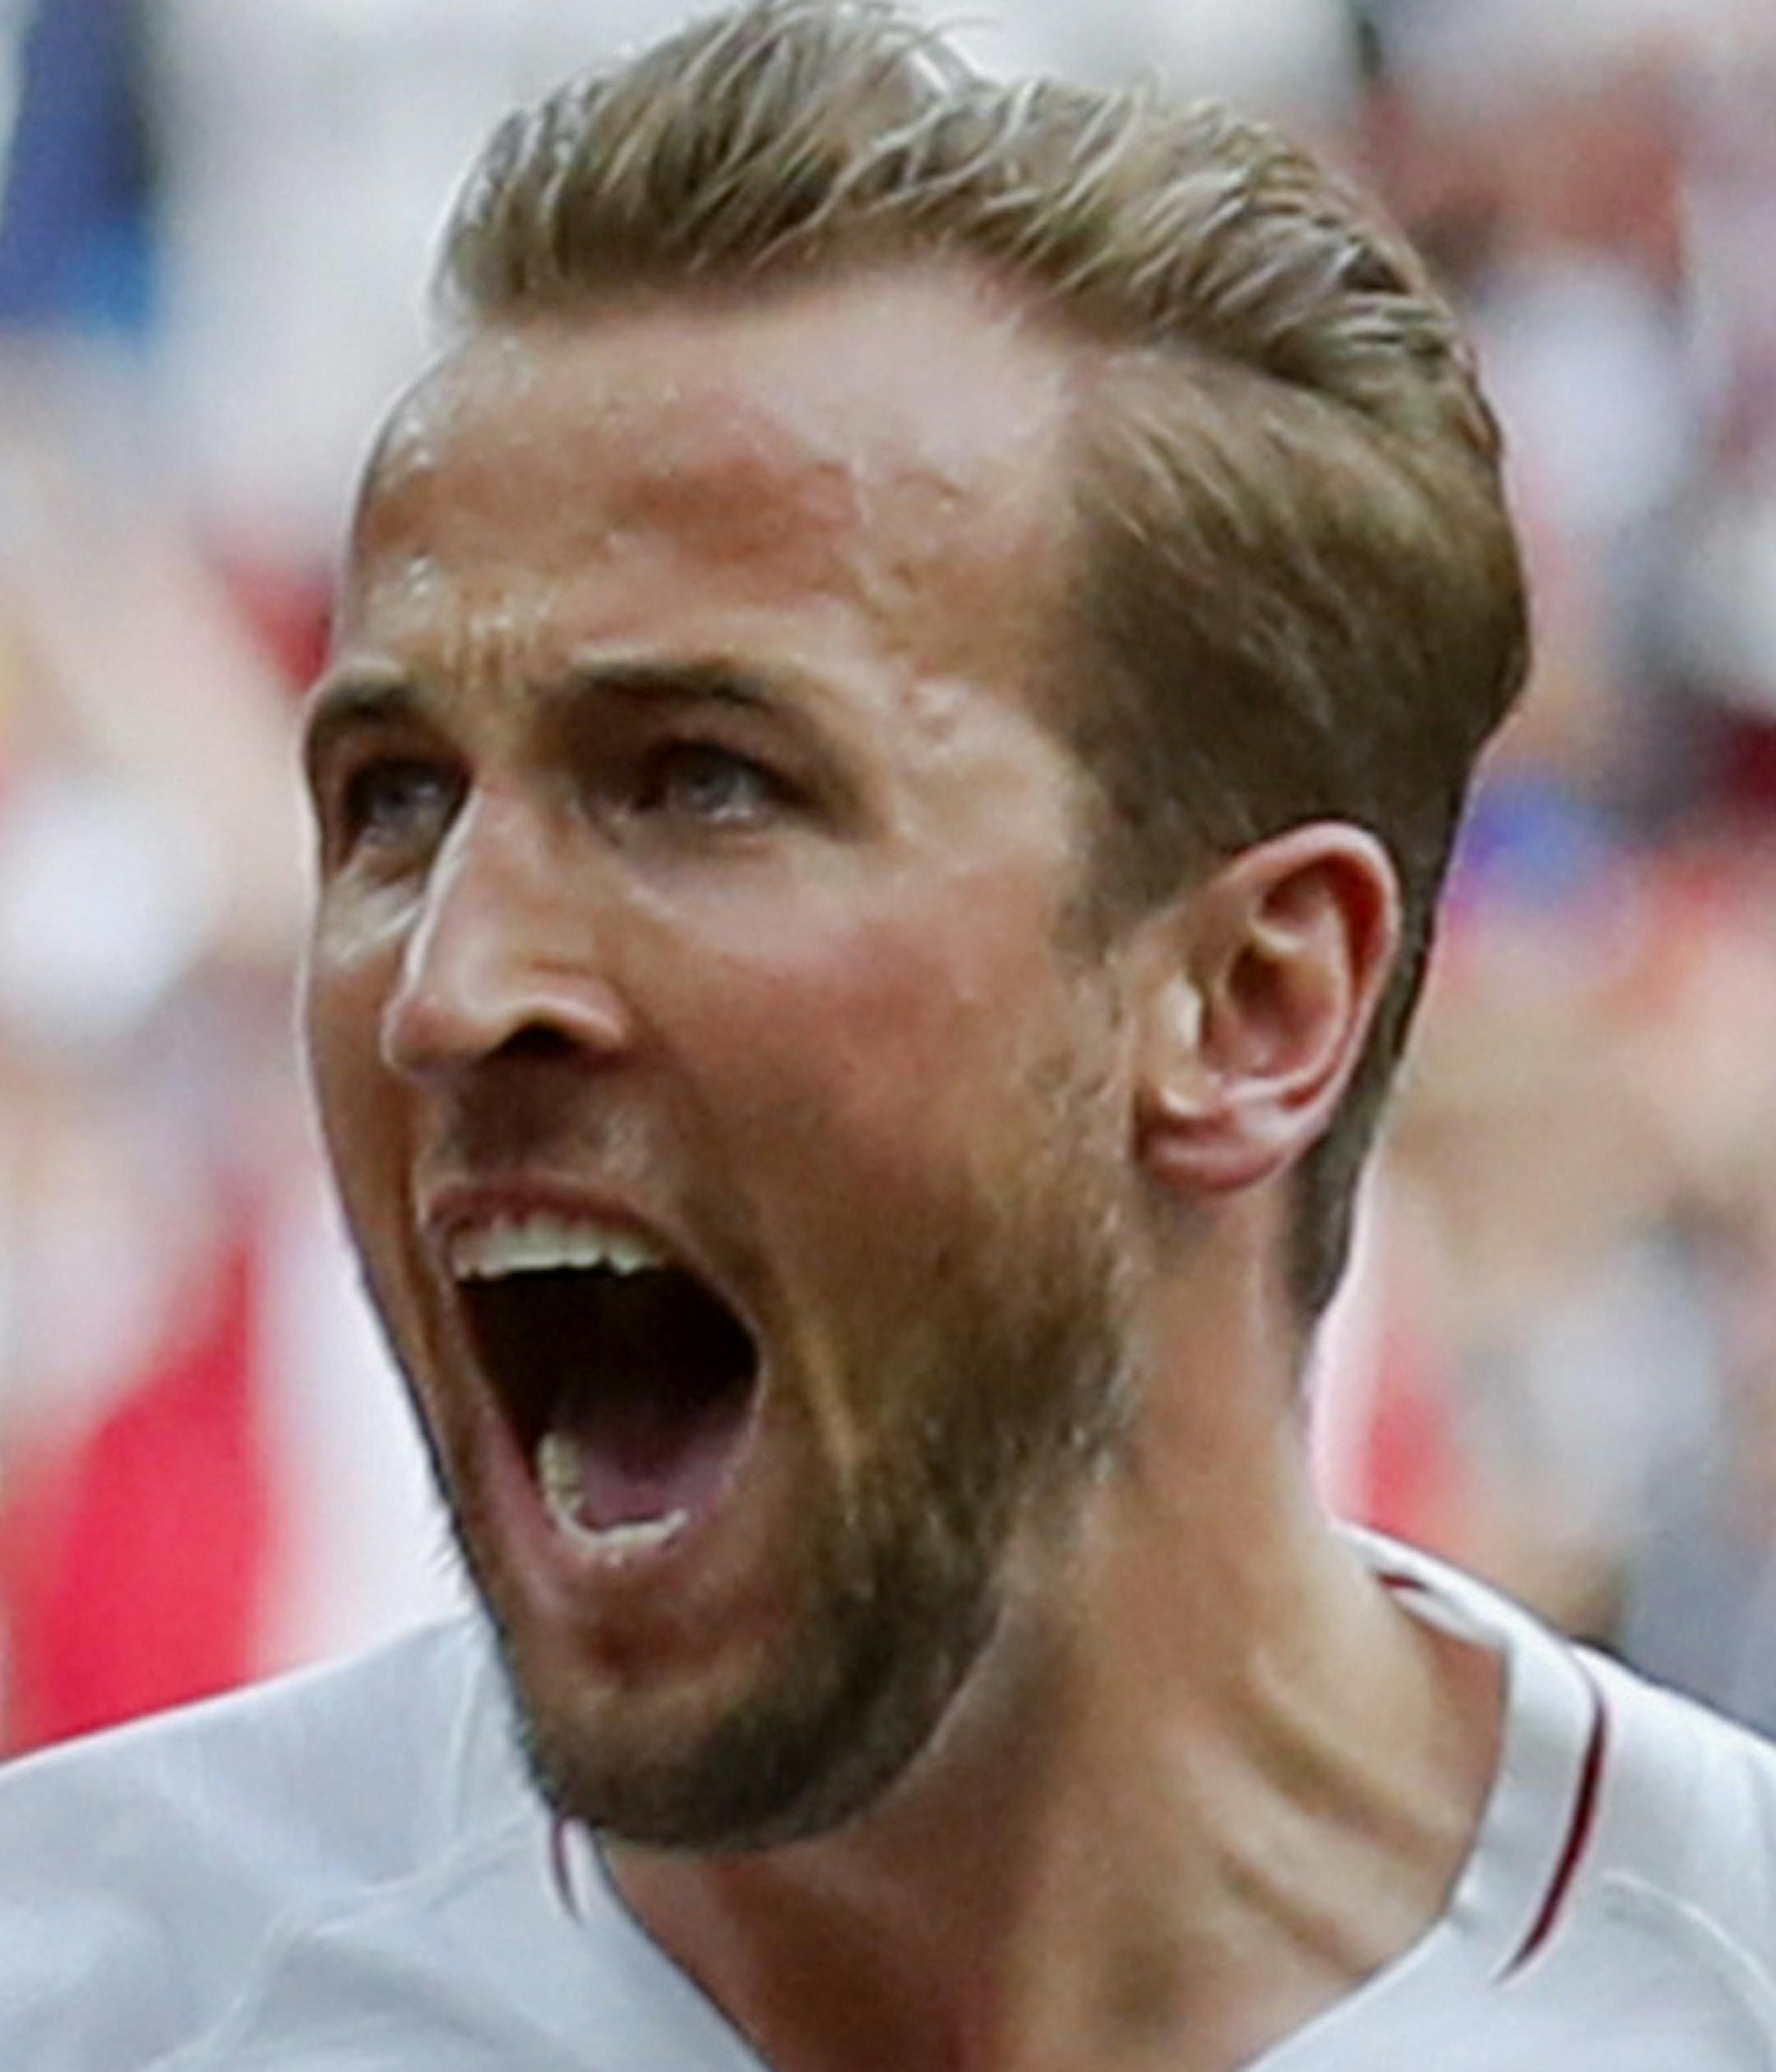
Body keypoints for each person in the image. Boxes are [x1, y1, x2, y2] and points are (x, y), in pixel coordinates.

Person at [3, 3, 1774, 2065]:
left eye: (701, 781)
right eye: (394, 800)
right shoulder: (92, 1994)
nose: (449, 989)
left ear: (1254, 1001)